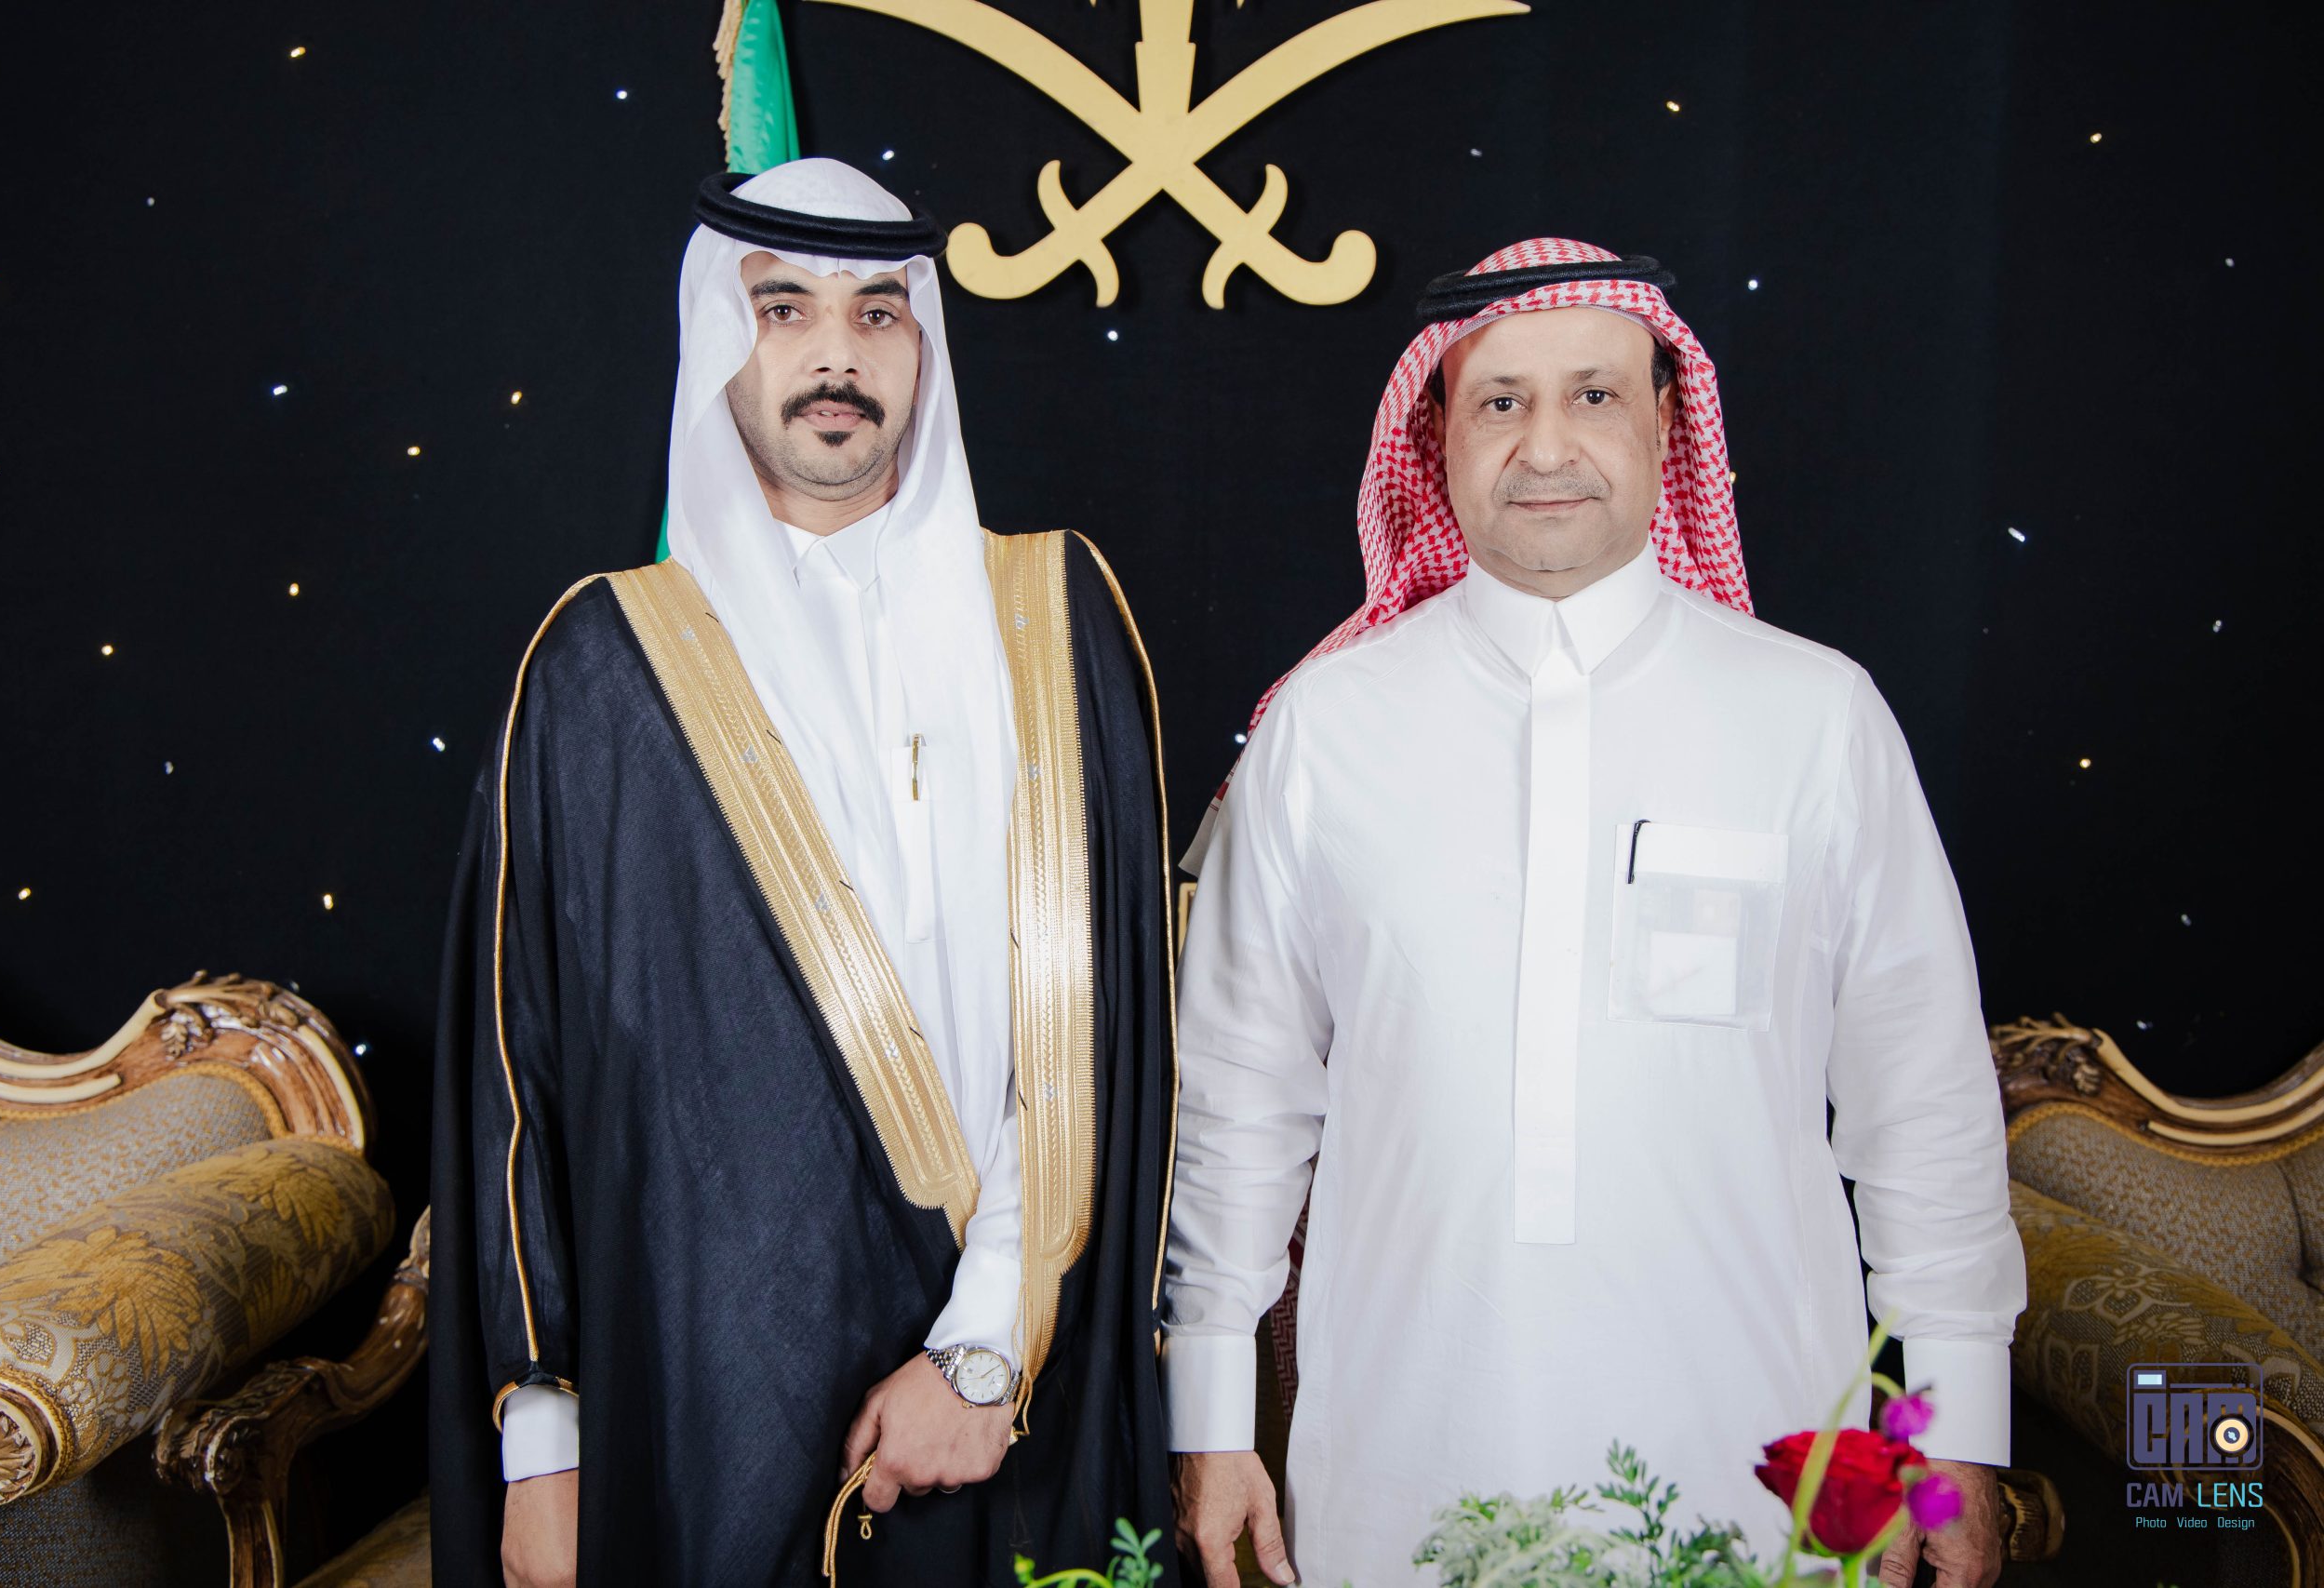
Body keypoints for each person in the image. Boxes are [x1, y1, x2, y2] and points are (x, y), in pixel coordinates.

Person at [1163, 239, 2024, 1588]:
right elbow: (1236, 1102)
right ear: (1439, 435)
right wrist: (1212, 1421)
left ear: (1668, 423)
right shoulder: (1325, 731)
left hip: (1760, 1461)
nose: (1547, 445)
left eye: (1595, 395)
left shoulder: (1816, 720)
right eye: (1501, 401)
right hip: (1402, 1459)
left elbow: (1923, 1103)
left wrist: (1960, 1432)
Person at [428, 158, 1181, 1588]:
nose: (838, 352)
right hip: (700, 1405)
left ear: (923, 347)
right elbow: (516, 1083)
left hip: (1016, 1384)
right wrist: (545, 1444)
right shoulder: (603, 667)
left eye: (878, 312)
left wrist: (980, 1351)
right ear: (721, 335)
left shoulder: (1053, 614)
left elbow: (1108, 1031)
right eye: (784, 308)